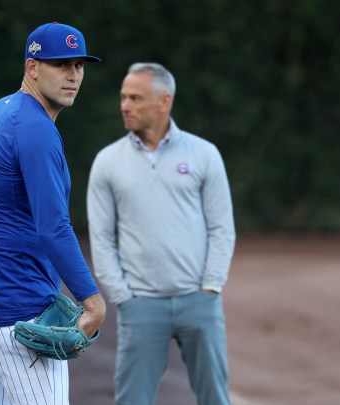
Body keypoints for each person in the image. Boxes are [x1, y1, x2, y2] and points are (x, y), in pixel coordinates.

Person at [0, 22, 106, 405]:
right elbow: (54, 226)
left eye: (79, 65)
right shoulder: (35, 128)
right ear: (33, 67)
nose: (73, 75)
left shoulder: (2, 110)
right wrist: (92, 301)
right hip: (16, 307)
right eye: (61, 64)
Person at [87, 62, 236, 405]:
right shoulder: (107, 162)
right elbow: (102, 238)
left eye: (135, 98)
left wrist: (210, 287)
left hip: (199, 301)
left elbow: (221, 227)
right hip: (141, 304)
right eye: (123, 97)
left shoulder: (204, 154)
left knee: (214, 397)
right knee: (131, 400)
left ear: (163, 102)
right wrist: (122, 295)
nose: (125, 105)